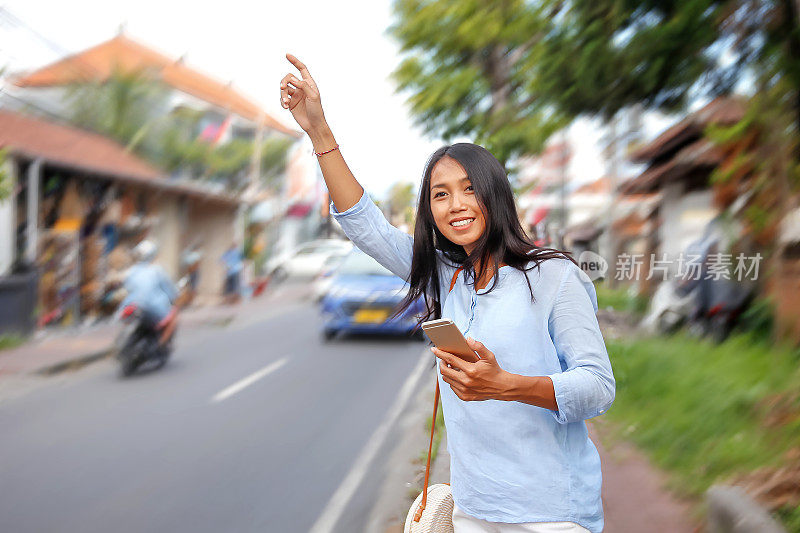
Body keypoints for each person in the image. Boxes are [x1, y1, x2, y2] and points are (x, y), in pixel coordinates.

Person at [279, 55, 615, 533]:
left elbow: (598, 388)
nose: (455, 204)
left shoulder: (553, 276)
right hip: (473, 509)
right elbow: (365, 225)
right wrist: (319, 133)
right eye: (440, 194)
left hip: (552, 514)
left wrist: (506, 385)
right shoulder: (441, 273)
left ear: (495, 195)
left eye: (468, 189)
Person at [121, 240, 178, 348]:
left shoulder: (132, 271)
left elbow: (127, 287)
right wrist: (173, 297)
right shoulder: (157, 270)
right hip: (154, 307)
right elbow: (169, 289)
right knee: (174, 315)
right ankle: (161, 345)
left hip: (131, 304)